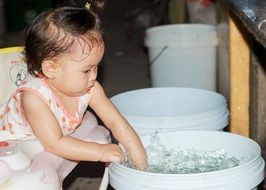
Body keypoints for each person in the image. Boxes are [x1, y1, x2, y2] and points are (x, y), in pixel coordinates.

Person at [0, 0, 147, 188]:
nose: (94, 76)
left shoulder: (90, 87)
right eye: (86, 70)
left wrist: (140, 161)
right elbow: (55, 144)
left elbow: (116, 122)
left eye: (97, 67)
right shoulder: (34, 98)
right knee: (40, 179)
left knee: (96, 128)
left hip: (54, 135)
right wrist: (100, 152)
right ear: (51, 69)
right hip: (16, 144)